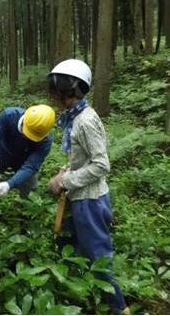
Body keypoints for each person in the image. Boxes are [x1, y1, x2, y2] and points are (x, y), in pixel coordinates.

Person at [46, 59, 129, 315]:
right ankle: (82, 295)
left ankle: (119, 308)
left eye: (56, 92)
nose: (53, 97)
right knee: (70, 244)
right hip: (80, 198)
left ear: (70, 91)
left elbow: (102, 164)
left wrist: (66, 181)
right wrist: (66, 171)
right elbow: (83, 158)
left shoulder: (85, 121)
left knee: (99, 259)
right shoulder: (75, 117)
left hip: (90, 201)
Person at [0, 104, 56, 199]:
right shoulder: (9, 115)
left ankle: (22, 209)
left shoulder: (46, 140)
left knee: (31, 191)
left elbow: (31, 166)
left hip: (24, 161)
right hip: (1, 154)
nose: (28, 137)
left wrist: (9, 184)